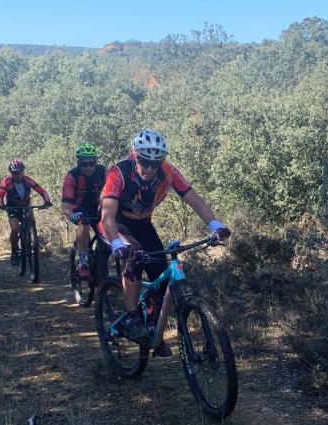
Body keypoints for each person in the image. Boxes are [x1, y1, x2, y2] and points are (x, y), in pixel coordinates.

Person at [100, 129, 230, 348]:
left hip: (143, 224)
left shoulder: (168, 172)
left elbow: (194, 199)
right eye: (145, 162)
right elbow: (107, 215)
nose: (150, 169)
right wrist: (116, 242)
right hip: (116, 223)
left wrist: (214, 224)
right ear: (135, 155)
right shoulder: (119, 172)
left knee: (160, 274)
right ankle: (132, 317)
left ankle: (153, 326)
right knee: (134, 258)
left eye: (155, 163)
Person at [60, 143, 107, 281]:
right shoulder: (72, 175)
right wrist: (70, 214)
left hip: (96, 206)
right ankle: (83, 262)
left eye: (92, 164)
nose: (89, 167)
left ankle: (103, 262)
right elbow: (66, 203)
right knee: (84, 223)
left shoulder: (102, 171)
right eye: (84, 164)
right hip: (78, 208)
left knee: (109, 228)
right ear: (78, 163)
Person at [0, 158, 51, 262]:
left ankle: (33, 241)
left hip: (26, 205)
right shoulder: (7, 181)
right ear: (11, 173)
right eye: (15, 173)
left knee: (32, 223)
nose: (18, 175)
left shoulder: (28, 180)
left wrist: (47, 201)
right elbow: (0, 195)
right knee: (15, 229)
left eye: (20, 173)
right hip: (13, 207)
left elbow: (42, 191)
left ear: (23, 171)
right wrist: (1, 203)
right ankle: (14, 251)